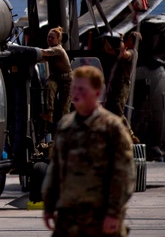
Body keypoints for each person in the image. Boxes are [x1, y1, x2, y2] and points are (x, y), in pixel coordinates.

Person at [42, 65, 134, 237]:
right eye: (74, 88)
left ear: (97, 93)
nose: (76, 93)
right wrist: (48, 206)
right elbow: (55, 169)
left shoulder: (112, 128)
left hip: (100, 220)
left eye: (82, 89)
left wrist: (113, 213)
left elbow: (124, 174)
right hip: (68, 221)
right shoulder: (65, 126)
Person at [104, 31, 142, 139]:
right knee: (110, 107)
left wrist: (121, 39)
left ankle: (130, 134)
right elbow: (109, 50)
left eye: (128, 39)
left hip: (123, 85)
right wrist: (105, 39)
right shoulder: (124, 50)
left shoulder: (132, 52)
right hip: (116, 84)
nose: (126, 40)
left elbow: (123, 54)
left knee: (118, 108)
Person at [41, 26, 72, 123]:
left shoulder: (58, 49)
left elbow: (44, 53)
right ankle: (49, 114)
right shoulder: (51, 49)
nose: (49, 39)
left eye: (52, 38)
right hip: (55, 77)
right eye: (48, 37)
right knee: (49, 86)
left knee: (65, 106)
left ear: (58, 40)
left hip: (67, 80)